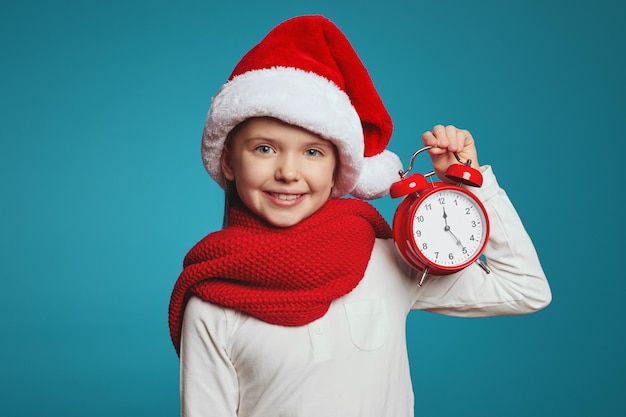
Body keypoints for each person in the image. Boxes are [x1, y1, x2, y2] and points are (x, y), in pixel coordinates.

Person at [168, 15, 551, 417]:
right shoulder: (211, 301)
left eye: (312, 152)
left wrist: (474, 185)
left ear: (339, 168)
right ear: (228, 161)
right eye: (265, 148)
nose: (288, 172)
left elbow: (524, 288)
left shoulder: (384, 260)